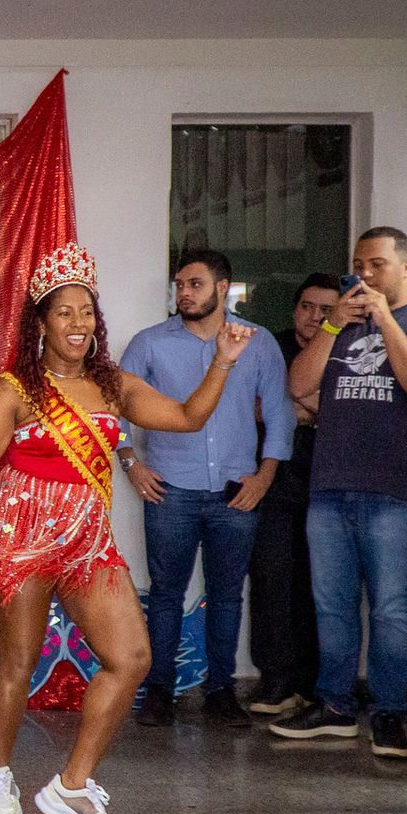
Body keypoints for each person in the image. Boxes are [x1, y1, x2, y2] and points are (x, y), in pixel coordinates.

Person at [0, 243, 254, 814]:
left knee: (132, 658)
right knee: (18, 662)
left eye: (87, 312)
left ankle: (70, 785)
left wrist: (221, 362)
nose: (78, 323)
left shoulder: (115, 385)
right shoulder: (15, 389)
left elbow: (188, 417)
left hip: (86, 541)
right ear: (40, 323)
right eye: (64, 312)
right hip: (23, 538)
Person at [270, 227, 407, 758]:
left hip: (394, 491)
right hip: (331, 486)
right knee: (332, 605)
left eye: (377, 264)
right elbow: (298, 385)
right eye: (358, 264)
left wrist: (385, 319)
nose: (365, 274)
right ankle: (335, 705)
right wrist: (333, 323)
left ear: (406, 267)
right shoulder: (341, 325)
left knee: (391, 608)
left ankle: (390, 712)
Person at [119, 249, 293, 728]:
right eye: (179, 285)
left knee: (227, 594)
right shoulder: (150, 343)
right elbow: (114, 407)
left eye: (194, 284)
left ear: (221, 288)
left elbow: (279, 412)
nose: (184, 293)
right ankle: (159, 690)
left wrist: (266, 475)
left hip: (237, 490)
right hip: (170, 489)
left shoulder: (256, 342)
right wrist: (131, 464)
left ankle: (220, 690)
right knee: (166, 594)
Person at [246, 274, 341, 718]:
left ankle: (315, 686)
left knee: (322, 587)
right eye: (307, 307)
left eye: (326, 310)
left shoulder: (349, 348)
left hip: (332, 485)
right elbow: (252, 407)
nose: (315, 317)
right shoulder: (270, 347)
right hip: (274, 483)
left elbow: (349, 413)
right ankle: (276, 683)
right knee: (272, 582)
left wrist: (293, 407)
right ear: (294, 309)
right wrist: (303, 410)